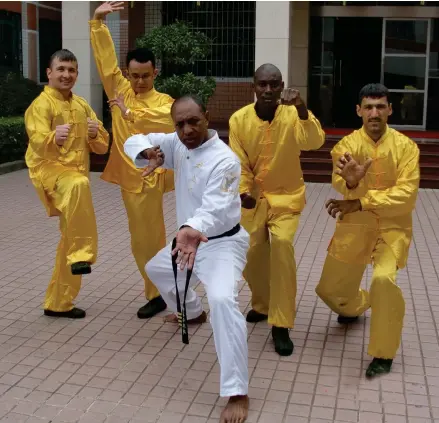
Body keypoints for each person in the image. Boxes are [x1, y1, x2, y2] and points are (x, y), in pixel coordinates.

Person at [124, 95, 250, 423]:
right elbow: (136, 137)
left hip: (221, 244)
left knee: (223, 300)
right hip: (187, 241)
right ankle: (192, 312)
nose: (187, 129)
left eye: (193, 121)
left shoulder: (225, 160)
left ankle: (237, 391)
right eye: (179, 123)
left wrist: (191, 229)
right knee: (157, 269)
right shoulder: (177, 144)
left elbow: (216, 207)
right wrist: (145, 152)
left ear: (207, 116)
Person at [315, 83, 420, 378]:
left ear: (390, 110)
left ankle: (383, 354)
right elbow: (339, 184)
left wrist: (359, 200)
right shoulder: (346, 145)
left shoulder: (406, 148)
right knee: (328, 290)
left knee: (384, 281)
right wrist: (349, 183)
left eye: (380, 106)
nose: (374, 113)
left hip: (392, 229)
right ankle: (356, 306)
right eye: (369, 107)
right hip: (354, 230)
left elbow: (407, 196)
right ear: (359, 111)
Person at [228, 63, 325, 356]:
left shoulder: (294, 113)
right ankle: (262, 303)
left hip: (287, 197)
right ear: (253, 87)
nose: (268, 90)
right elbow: (239, 162)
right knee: (250, 253)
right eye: (262, 85)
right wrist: (242, 192)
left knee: (282, 246)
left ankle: (281, 323)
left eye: (274, 84)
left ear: (282, 86)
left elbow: (314, 141)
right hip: (253, 200)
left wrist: (303, 108)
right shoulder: (238, 120)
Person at [90, 1, 175, 319]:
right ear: (128, 74)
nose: (140, 82)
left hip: (150, 177)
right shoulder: (119, 88)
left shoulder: (164, 101)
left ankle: (161, 293)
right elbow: (105, 61)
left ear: (156, 72)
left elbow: (167, 120)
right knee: (140, 239)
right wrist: (99, 23)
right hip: (128, 178)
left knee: (147, 239)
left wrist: (131, 113)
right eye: (135, 76)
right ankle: (161, 290)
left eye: (146, 76)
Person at [25, 49, 109, 318]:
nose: (66, 74)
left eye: (71, 70)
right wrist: (53, 137)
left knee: (68, 237)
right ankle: (82, 255)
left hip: (75, 177)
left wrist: (96, 134)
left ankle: (58, 303)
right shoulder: (40, 106)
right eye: (60, 69)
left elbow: (102, 145)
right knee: (78, 184)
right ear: (49, 73)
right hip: (50, 172)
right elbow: (37, 141)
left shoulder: (82, 105)